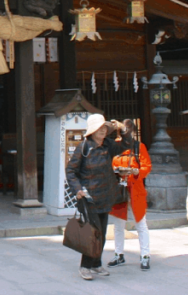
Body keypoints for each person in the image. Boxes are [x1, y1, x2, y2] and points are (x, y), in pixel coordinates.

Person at [66, 113, 134, 281]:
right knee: (93, 233)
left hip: (105, 195)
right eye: (100, 128)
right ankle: (85, 266)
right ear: (92, 131)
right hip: (88, 197)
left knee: (102, 233)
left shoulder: (108, 145)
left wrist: (123, 129)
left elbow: (127, 144)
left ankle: (96, 264)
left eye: (105, 128)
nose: (103, 131)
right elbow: (71, 171)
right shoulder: (84, 147)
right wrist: (78, 189)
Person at [107, 120, 152, 271]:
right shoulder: (116, 145)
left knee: (140, 223)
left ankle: (145, 255)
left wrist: (138, 172)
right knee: (118, 225)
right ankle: (119, 254)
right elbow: (109, 164)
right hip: (120, 188)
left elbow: (146, 166)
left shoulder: (139, 147)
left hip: (135, 188)